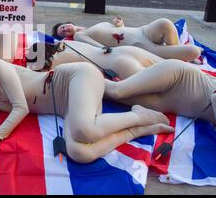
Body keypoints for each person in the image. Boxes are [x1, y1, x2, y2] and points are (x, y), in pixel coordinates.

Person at [0, 58, 174, 163]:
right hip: (67, 107)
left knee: (85, 131)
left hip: (75, 77)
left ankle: (139, 114)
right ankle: (137, 130)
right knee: (80, 153)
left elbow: (21, 108)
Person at [105, 59, 216, 125]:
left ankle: (89, 76)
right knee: (117, 91)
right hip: (180, 78)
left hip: (167, 104)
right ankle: (87, 70)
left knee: (110, 95)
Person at [52, 16, 201, 62]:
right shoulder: (79, 36)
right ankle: (177, 55)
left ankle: (175, 53)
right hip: (138, 45)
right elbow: (99, 47)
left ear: (68, 23)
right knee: (194, 52)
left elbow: (118, 29)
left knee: (165, 23)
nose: (65, 30)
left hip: (142, 30)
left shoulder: (95, 25)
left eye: (64, 26)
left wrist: (119, 23)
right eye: (62, 32)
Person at [27, 40, 162, 80]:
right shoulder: (65, 43)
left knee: (171, 88)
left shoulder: (55, 66)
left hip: (117, 67)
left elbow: (37, 80)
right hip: (123, 51)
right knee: (179, 69)